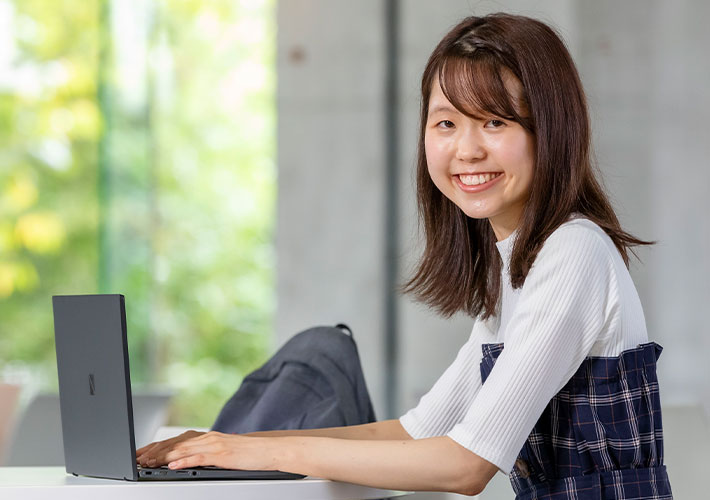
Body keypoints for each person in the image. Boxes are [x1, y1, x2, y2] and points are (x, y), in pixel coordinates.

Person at [135, 13, 672, 498]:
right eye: (446, 123)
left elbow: (466, 466)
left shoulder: (572, 252)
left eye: (495, 122)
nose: (466, 149)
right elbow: (417, 430)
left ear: (552, 130)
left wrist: (256, 452)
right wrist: (227, 443)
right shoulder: (515, 268)